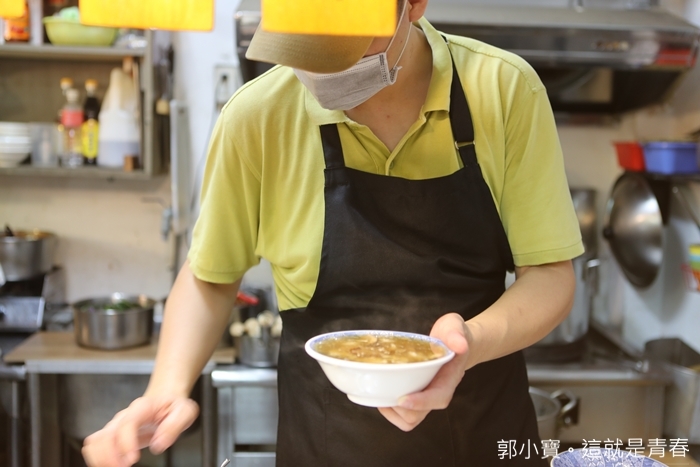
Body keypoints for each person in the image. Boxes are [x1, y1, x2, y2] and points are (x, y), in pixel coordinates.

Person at [82, 0, 583, 465]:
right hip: (325, 441)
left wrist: (469, 342)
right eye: (303, 43)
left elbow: (550, 275)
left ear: (413, 6)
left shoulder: (504, 90)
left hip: (482, 435)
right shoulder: (258, 117)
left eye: (342, 44)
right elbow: (211, 276)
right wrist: (166, 389)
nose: (321, 67)